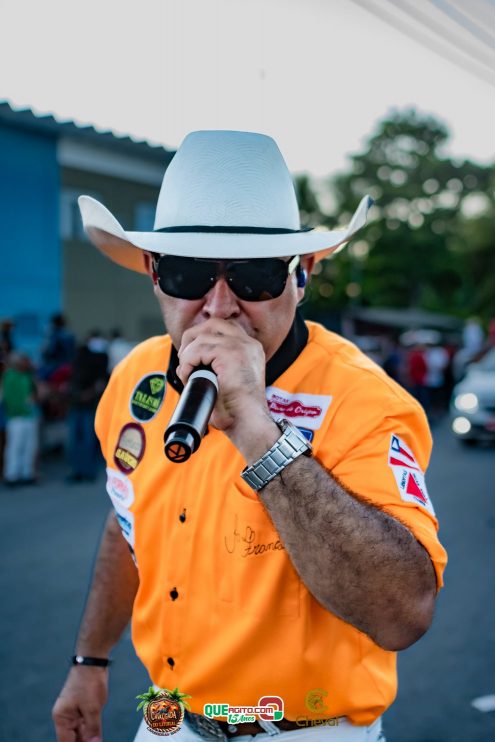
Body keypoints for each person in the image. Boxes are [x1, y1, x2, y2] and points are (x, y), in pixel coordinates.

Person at [52, 131, 447, 742]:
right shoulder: (135, 375)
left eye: (254, 276)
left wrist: (258, 431)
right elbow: (126, 520)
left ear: (302, 275)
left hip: (307, 729)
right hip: (167, 718)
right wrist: (90, 661)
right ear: (154, 273)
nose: (219, 307)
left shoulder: (365, 401)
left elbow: (403, 614)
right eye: (188, 273)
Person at [67, 330, 109, 482]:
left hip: (86, 406)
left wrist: (87, 394)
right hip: (78, 405)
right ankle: (80, 471)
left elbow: (99, 384)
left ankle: (85, 471)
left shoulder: (97, 360)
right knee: (79, 440)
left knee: (84, 440)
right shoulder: (86, 359)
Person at [1, 352, 39, 486]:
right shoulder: (9, 376)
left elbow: (34, 392)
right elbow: (9, 398)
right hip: (16, 416)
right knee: (15, 446)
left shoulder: (27, 375)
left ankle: (27, 473)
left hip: (30, 415)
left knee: (30, 446)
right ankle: (12, 474)